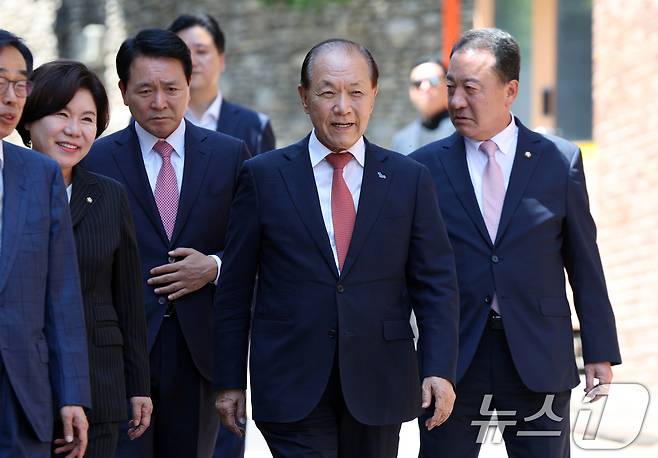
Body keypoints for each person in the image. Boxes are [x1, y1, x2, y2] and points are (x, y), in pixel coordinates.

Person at [214, 38, 460, 458]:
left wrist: (439, 369)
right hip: (290, 381)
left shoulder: (409, 179)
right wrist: (230, 380)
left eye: (356, 92)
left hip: (379, 380)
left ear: (374, 96)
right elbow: (235, 288)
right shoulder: (264, 177)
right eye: (328, 92)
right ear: (304, 98)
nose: (342, 106)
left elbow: (436, 283)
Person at [411, 28, 622, 457]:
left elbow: (583, 261)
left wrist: (599, 348)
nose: (455, 101)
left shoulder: (558, 162)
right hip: (452, 359)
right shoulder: (422, 170)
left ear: (510, 91)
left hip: (538, 354)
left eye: (471, 89)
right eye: (451, 87)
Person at [82, 29, 250, 458]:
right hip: (119, 353)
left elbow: (258, 247)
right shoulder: (95, 160)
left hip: (199, 351)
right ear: (122, 91)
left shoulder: (230, 155)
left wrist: (213, 266)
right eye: (145, 90)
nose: (160, 102)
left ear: (189, 82)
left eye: (172, 88)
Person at [16, 60, 153, 458]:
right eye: (61, 114)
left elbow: (127, 296)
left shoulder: (109, 195)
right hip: (23, 386)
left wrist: (138, 385)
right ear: (29, 118)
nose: (75, 130)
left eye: (88, 118)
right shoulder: (10, 187)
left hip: (100, 386)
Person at [0, 30, 90, 457]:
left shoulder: (39, 174)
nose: (11, 97)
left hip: (25, 395)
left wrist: (72, 393)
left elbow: (61, 294)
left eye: (20, 85)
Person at [169, 13, 275, 155]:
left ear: (221, 60)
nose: (192, 61)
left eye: (201, 51)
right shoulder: (152, 119)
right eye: (183, 53)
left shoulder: (255, 126)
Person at [392, 57, 454, 155]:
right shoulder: (402, 139)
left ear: (448, 86)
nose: (425, 87)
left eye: (433, 81)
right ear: (410, 92)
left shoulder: (464, 130)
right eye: (417, 83)